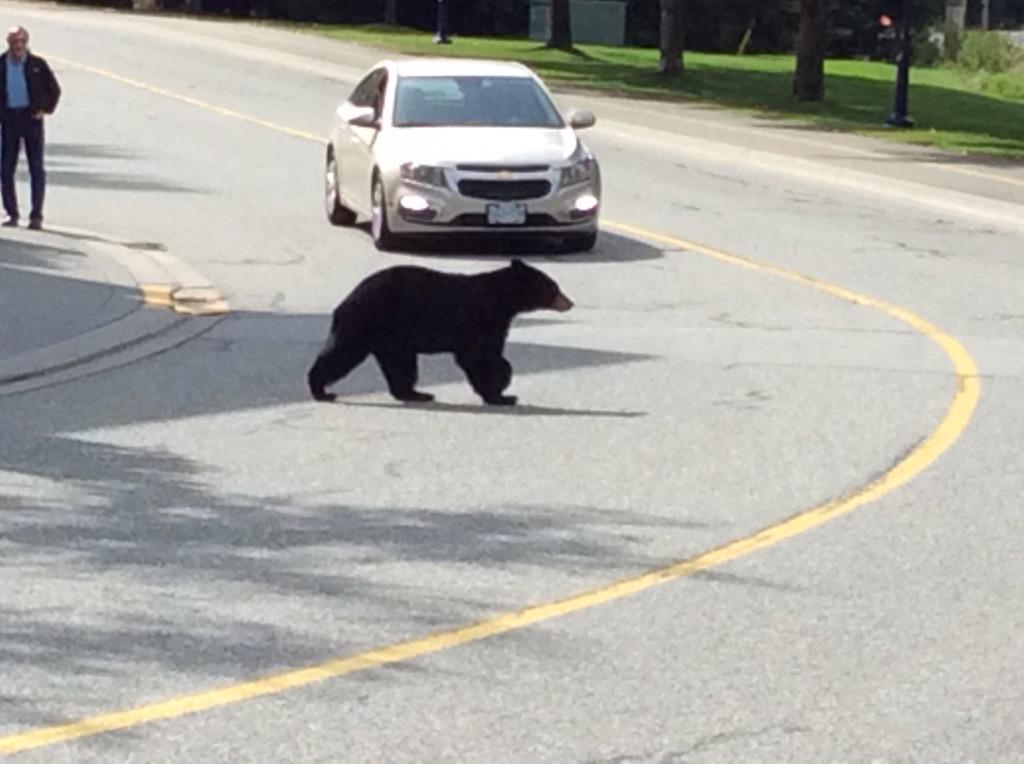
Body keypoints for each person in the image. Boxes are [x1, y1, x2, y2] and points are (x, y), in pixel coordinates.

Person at [0, 26, 61, 230]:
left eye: (22, 42)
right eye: (15, 42)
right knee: (6, 169)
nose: (18, 46)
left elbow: (54, 89)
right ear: (8, 43)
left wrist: (44, 109)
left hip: (31, 119)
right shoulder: (1, 64)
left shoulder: (37, 65)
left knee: (36, 168)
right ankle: (12, 213)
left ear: (27, 43)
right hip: (9, 119)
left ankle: (36, 216)